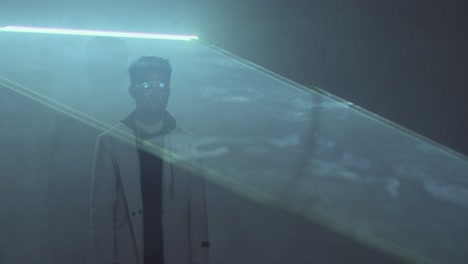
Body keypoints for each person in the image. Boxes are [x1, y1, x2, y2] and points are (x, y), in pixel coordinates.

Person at [90, 55, 209, 264]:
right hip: (129, 254)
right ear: (132, 91)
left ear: (169, 89)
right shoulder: (110, 142)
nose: (155, 92)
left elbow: (198, 215)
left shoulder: (188, 144)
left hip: (175, 254)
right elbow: (102, 215)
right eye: (146, 85)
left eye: (161, 84)